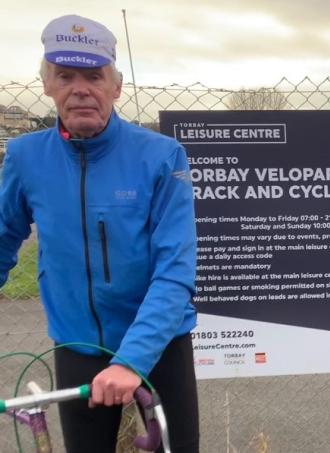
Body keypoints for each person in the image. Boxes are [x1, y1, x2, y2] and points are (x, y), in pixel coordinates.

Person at [0, 15, 199, 452]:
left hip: (161, 346)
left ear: (116, 86)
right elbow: (2, 240)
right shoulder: (24, 156)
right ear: (46, 83)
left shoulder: (162, 156)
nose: (80, 88)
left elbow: (176, 271)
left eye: (94, 75)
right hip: (78, 345)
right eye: (65, 75)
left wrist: (132, 360)